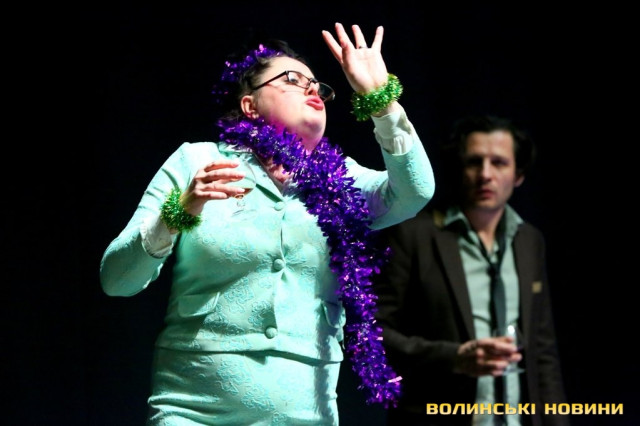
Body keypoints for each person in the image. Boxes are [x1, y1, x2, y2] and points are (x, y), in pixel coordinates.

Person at [99, 22, 435, 425]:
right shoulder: (198, 162)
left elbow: (415, 192)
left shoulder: (343, 181)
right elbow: (117, 280)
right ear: (250, 105)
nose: (313, 90)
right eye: (292, 80)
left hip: (306, 414)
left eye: (318, 86)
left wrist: (382, 102)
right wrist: (177, 213)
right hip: (192, 410)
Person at [373, 115, 569, 426]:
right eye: (474, 162)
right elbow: (374, 333)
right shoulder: (413, 235)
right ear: (458, 167)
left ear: (518, 175)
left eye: (499, 163)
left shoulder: (529, 240)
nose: (485, 174)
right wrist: (453, 357)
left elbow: (542, 351)